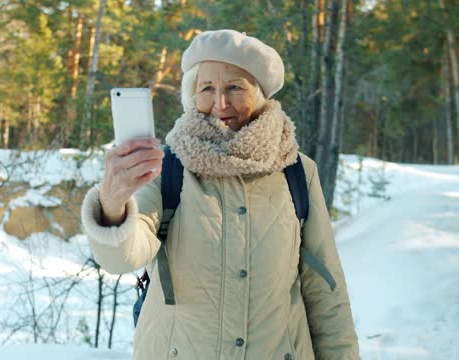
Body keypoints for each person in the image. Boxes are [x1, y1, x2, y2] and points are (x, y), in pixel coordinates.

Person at [81, 29, 359, 359]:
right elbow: (121, 258)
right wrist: (113, 201)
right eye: (207, 88)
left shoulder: (298, 171)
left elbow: (325, 291)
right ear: (192, 95)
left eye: (234, 88)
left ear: (260, 94)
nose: (220, 103)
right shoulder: (168, 167)